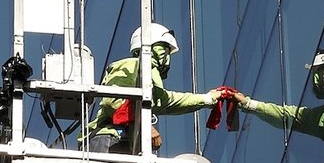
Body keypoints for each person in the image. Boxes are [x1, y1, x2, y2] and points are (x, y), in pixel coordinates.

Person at [87, 24, 227, 150]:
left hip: (122, 142)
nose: (166, 55)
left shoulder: (151, 80)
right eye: (164, 48)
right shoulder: (132, 65)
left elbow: (169, 101)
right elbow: (113, 101)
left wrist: (208, 98)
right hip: (106, 138)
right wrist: (146, 126)